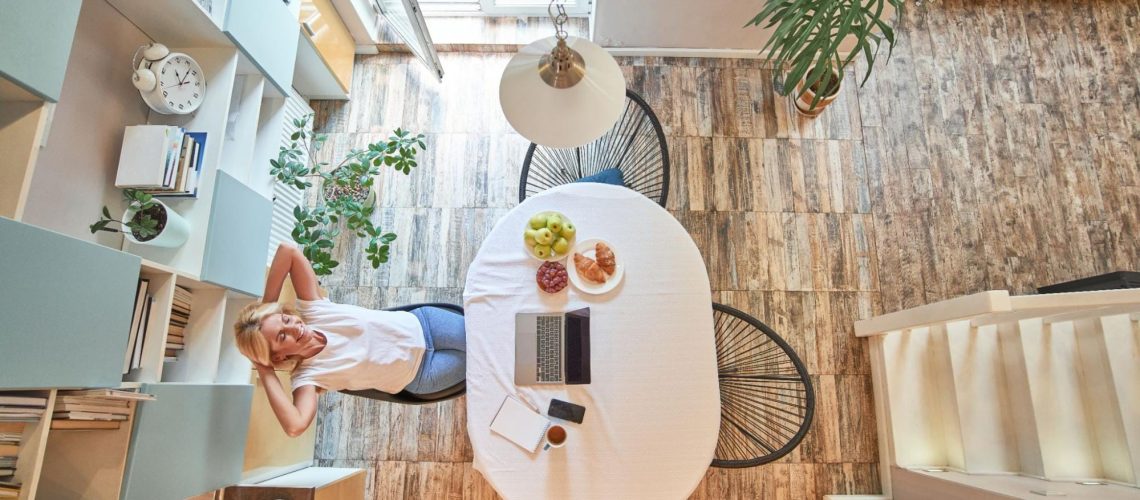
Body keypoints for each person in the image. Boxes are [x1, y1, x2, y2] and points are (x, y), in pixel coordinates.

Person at [233, 243, 466, 436]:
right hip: (422, 373)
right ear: (279, 356)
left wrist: (266, 307)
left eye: (285, 319)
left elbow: (288, 251)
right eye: (282, 336)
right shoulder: (309, 378)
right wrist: (265, 370)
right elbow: (295, 426)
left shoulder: (315, 312)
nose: (294, 326)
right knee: (489, 363)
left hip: (425, 326)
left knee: (491, 340)